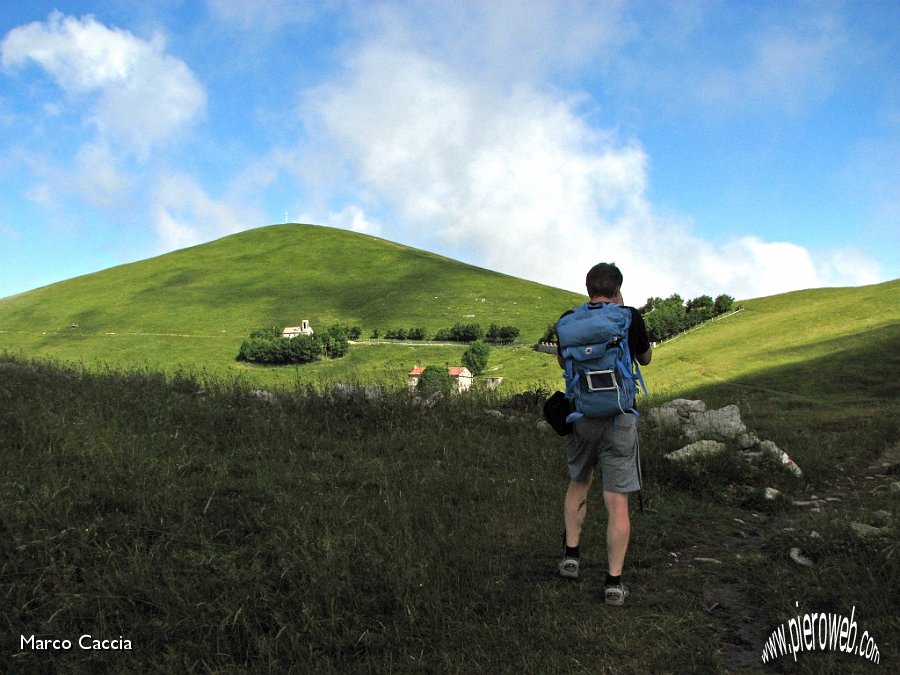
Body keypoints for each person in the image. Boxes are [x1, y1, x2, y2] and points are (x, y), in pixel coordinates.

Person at [555, 262, 652, 606]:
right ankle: (613, 582)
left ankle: (571, 556)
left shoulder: (570, 320)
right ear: (617, 288)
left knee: (578, 482)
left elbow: (563, 363)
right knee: (616, 501)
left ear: (588, 289)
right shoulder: (629, 317)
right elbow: (647, 357)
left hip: (581, 416)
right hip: (619, 418)